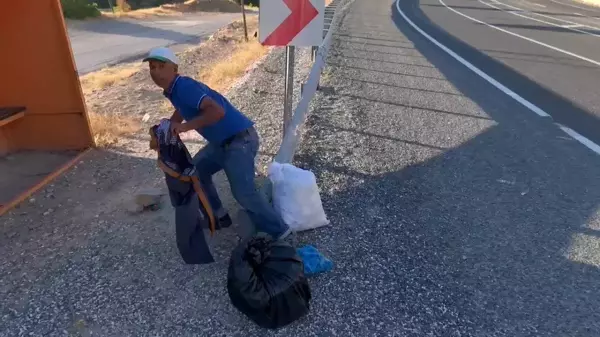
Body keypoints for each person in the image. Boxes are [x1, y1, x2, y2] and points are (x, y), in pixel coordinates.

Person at [143, 47, 291, 241]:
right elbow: (183, 108)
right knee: (196, 173)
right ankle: (219, 217)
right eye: (152, 67)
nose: (156, 72)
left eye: (161, 66)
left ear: (174, 68)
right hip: (221, 143)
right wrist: (169, 126)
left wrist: (185, 127)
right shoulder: (173, 90)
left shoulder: (184, 87)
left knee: (243, 193)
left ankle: (281, 231)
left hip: (239, 141)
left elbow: (217, 112)